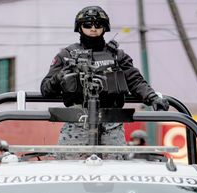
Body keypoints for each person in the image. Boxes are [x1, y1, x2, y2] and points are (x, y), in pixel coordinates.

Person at [40, 6, 169, 146]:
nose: (93, 28)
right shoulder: (66, 56)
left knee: (115, 167)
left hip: (111, 124)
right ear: (79, 27)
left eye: (98, 24)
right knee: (70, 166)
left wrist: (153, 98)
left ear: (104, 27)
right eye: (87, 24)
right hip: (75, 124)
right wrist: (61, 76)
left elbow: (136, 81)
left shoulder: (118, 56)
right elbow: (45, 89)